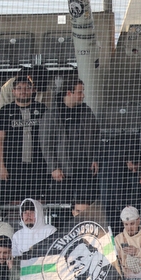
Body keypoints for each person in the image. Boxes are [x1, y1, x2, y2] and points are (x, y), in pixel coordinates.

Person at [40, 73, 100, 203]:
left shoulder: (87, 112)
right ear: (69, 93)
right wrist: (53, 167)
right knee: (63, 208)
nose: (83, 95)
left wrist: (95, 158)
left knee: (86, 206)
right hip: (63, 172)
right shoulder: (52, 115)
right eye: (79, 92)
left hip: (85, 171)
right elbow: (46, 144)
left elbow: (96, 137)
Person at [0, 74, 48, 198]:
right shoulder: (5, 112)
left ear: (33, 90)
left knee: (37, 200)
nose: (23, 91)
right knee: (14, 201)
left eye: (27, 88)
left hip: (38, 166)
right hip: (13, 166)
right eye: (19, 88)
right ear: (13, 91)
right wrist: (1, 166)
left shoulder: (42, 109)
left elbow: (50, 138)